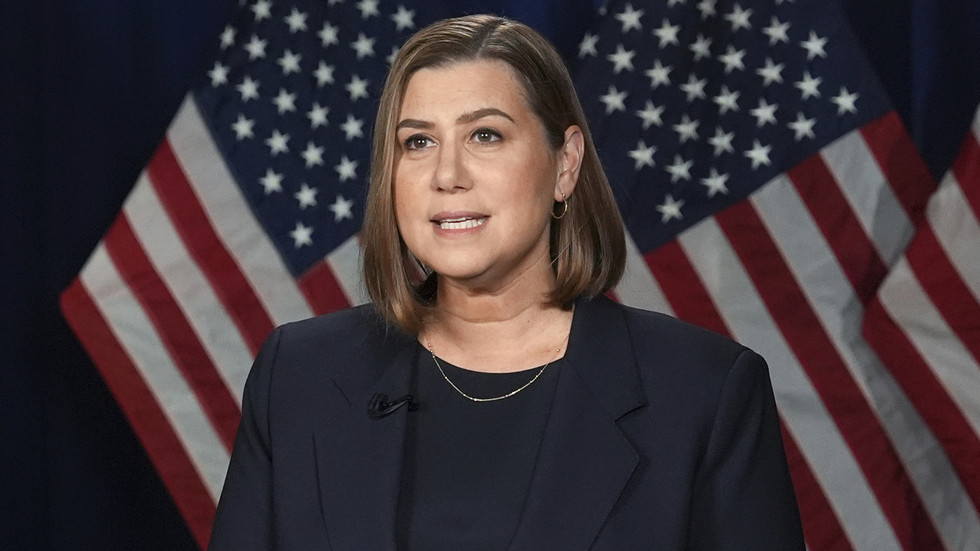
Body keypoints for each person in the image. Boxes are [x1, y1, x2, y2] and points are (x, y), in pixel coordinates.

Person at [208, 14, 805, 550]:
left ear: (565, 164)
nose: (447, 174)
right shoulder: (299, 375)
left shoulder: (702, 392)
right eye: (418, 142)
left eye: (485, 135)